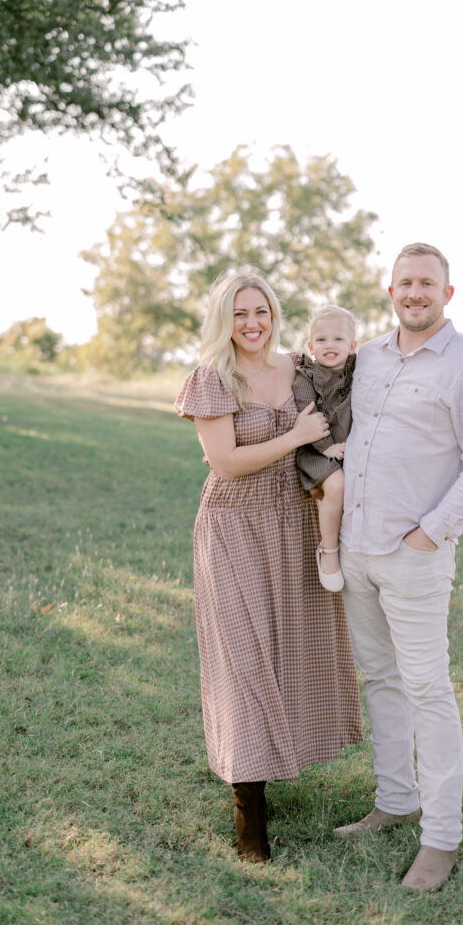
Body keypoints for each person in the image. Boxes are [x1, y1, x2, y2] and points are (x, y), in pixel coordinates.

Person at [334, 242, 463, 891]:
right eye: (404, 282)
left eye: (426, 284)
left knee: (427, 690)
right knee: (379, 678)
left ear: (446, 294)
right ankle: (395, 799)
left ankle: (441, 838)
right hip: (356, 548)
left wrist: (428, 535)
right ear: (390, 291)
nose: (414, 293)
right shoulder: (369, 357)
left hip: (415, 556)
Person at [175, 269, 363, 865]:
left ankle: (278, 760)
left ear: (275, 315)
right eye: (239, 313)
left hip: (295, 521)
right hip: (234, 525)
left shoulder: (299, 365)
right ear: (223, 320)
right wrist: (297, 434)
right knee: (244, 659)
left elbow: (358, 377)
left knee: (292, 652)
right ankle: (248, 812)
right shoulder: (212, 378)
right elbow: (225, 462)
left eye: (261, 311)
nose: (252, 323)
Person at [292, 305, 357, 592]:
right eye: (321, 340)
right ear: (310, 347)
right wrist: (326, 447)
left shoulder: (358, 369)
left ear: (352, 346)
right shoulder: (305, 376)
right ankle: (328, 550)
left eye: (338, 339)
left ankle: (354, 547)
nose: (329, 345)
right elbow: (308, 416)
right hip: (315, 450)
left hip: (348, 449)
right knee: (337, 485)